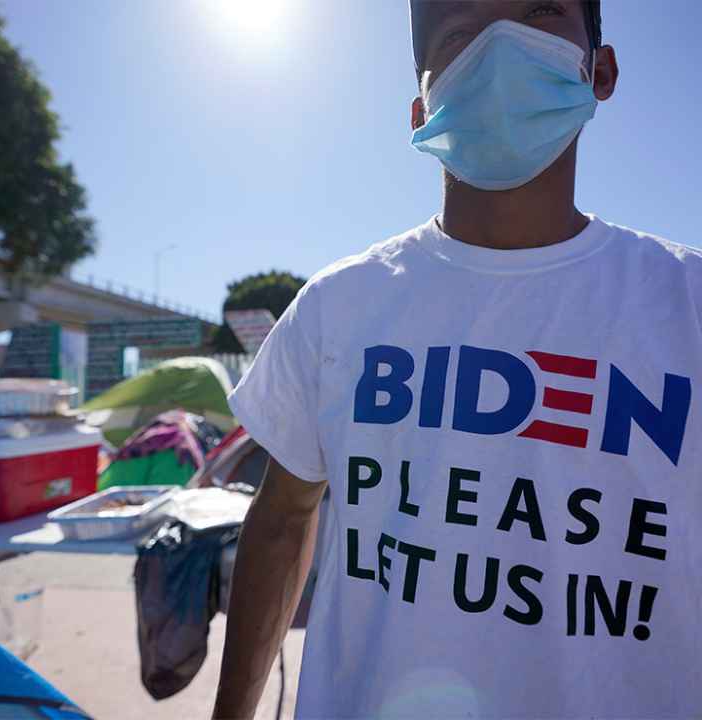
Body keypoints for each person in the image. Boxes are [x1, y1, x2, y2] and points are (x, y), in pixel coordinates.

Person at [212, 1, 702, 718]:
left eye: (540, 12)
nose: (502, 47)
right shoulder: (337, 305)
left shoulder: (686, 304)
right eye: (461, 32)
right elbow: (283, 520)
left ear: (600, 69)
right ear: (422, 110)